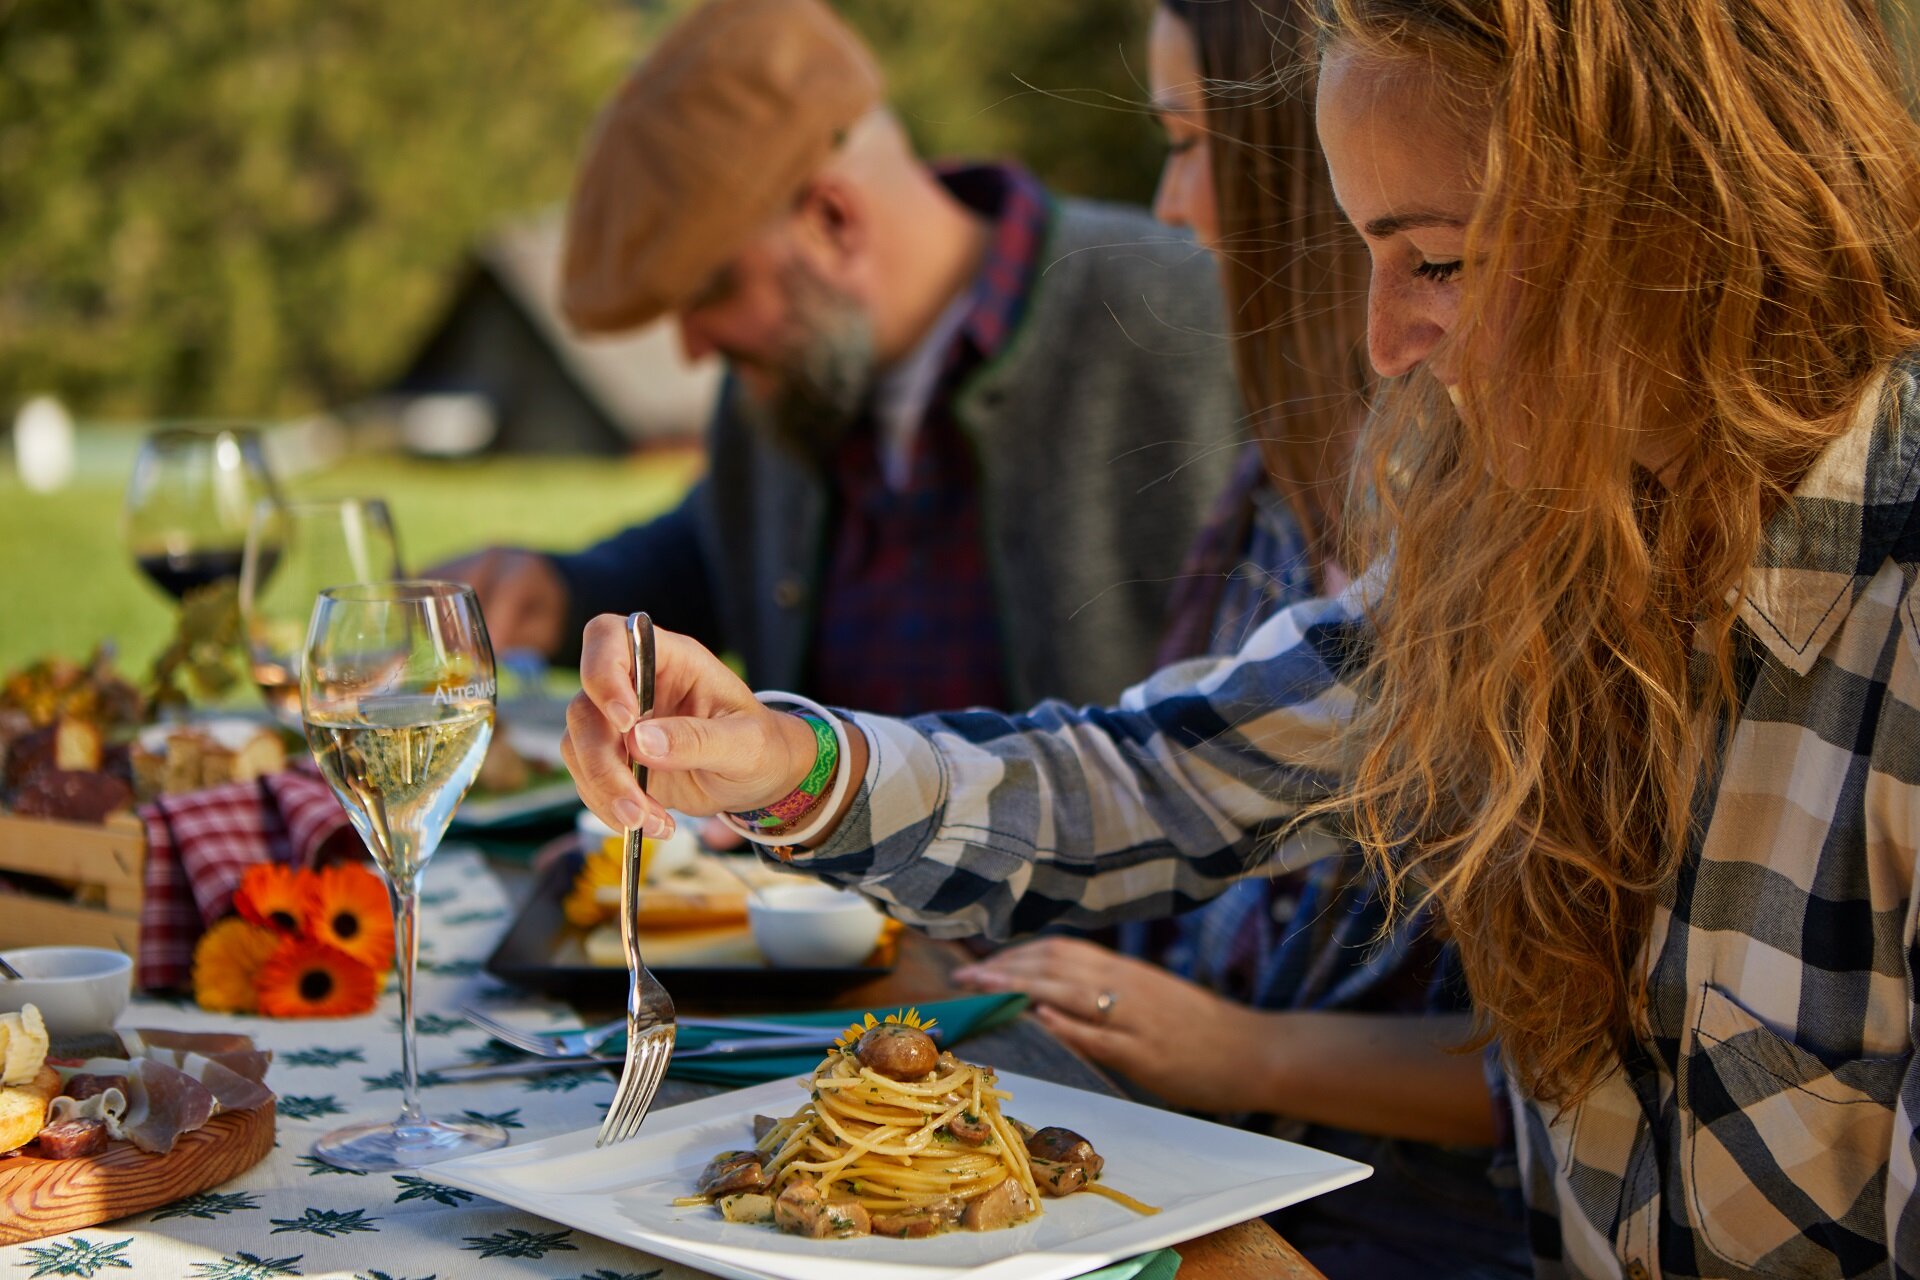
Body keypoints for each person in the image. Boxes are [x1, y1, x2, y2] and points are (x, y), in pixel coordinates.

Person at [561, 0, 1920, 1275]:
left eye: (1437, 259)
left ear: (1685, 217)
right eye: (1368, 257)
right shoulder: (1543, 529)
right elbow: (1158, 777)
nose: (1385, 342)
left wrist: (1243, 1053)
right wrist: (787, 765)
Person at [951, 3, 1528, 1275]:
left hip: (1399, 1222)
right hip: (1210, 1162)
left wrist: (1234, 1046)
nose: (1170, 203)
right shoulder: (1285, 476)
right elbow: (1159, 783)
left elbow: (1586, 1057)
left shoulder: (1515, 505)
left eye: (1187, 138)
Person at [433, 0, 1242, 717]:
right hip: (803, 888)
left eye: (711, 292)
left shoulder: (1184, 316)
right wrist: (573, 591)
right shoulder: (799, 367)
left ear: (831, 219)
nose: (693, 347)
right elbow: (730, 539)